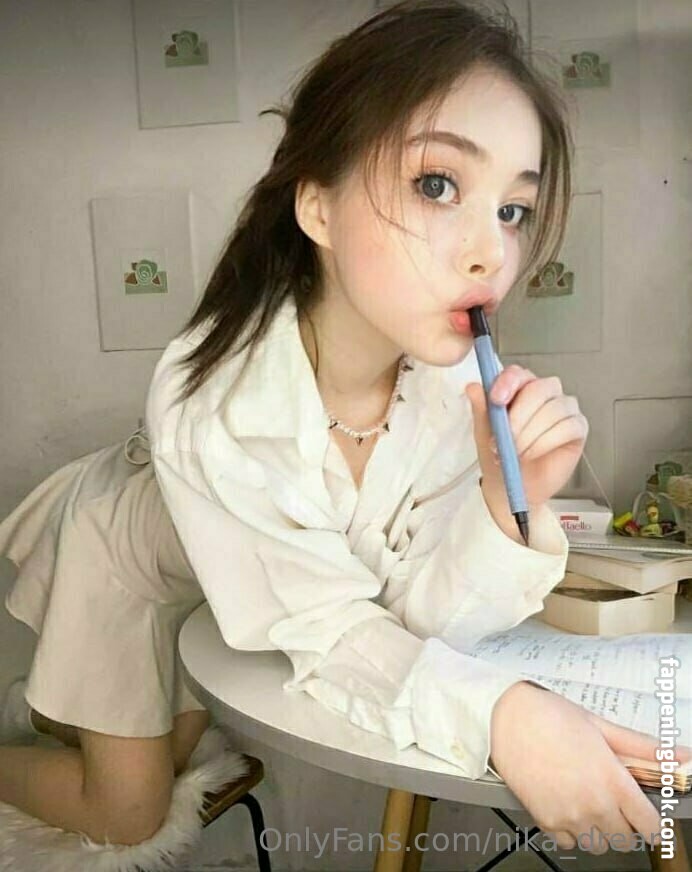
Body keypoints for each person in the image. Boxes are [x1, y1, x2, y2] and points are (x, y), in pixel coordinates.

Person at [0, 0, 686, 857]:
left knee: (173, 755)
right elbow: (332, 635)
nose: (491, 254)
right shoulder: (212, 392)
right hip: (129, 558)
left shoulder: (451, 387)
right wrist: (502, 717)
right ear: (317, 206)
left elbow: (409, 617)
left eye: (514, 209)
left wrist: (505, 504)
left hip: (229, 585)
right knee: (128, 812)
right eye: (437, 185)